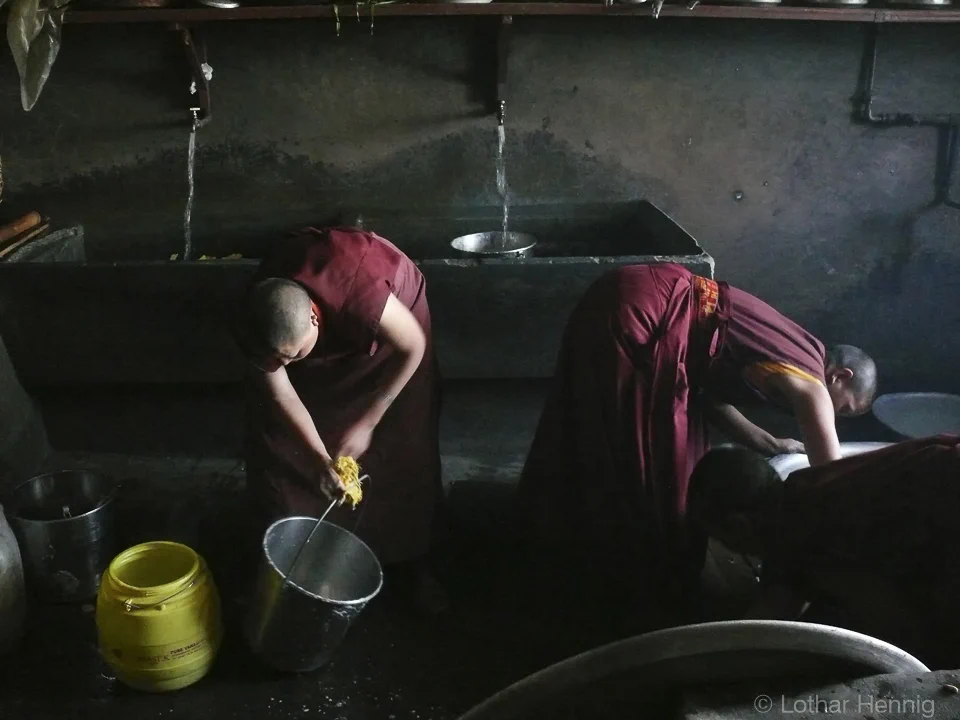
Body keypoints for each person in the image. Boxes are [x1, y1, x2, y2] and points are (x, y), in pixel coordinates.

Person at [516, 263, 876, 628]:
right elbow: (833, 481)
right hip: (645, 314)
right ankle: (626, 594)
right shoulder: (812, 381)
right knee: (646, 468)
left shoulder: (796, 352)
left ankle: (583, 556)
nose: (835, 419)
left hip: (632, 291)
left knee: (633, 445)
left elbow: (710, 397)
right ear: (840, 376)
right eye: (843, 409)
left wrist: (771, 442)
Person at [234, 226, 447, 614]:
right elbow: (282, 391)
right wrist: (318, 458)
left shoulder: (361, 296)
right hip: (312, 332)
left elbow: (412, 346)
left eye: (292, 357)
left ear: (314, 321)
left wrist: (369, 420)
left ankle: (413, 562)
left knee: (399, 445)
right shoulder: (261, 322)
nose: (282, 367)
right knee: (282, 444)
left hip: (396, 335)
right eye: (276, 360)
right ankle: (298, 562)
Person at [686, 437, 960, 669]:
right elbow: (777, 606)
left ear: (739, 527)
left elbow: (893, 621)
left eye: (723, 539)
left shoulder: (807, 536)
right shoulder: (801, 489)